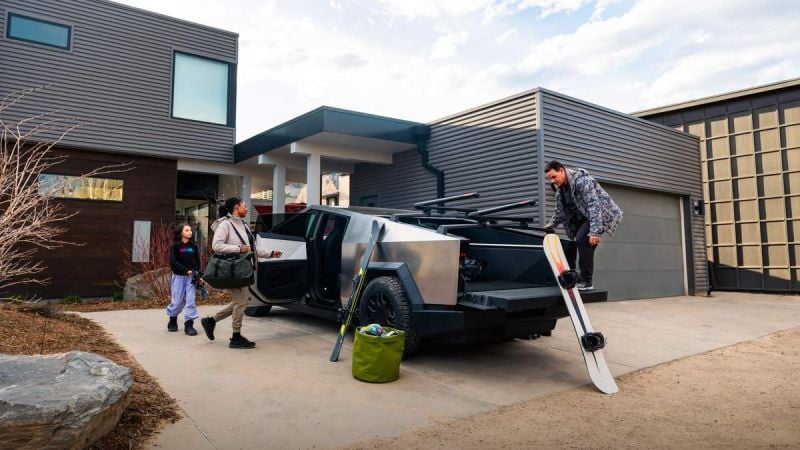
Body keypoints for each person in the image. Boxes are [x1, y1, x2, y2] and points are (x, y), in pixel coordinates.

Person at [200, 197, 282, 349]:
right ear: (236, 207)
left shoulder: (242, 224)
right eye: (245, 206)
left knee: (239, 302)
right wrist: (238, 249)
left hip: (243, 270)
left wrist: (271, 253)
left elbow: (251, 248)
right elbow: (216, 246)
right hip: (233, 270)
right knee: (241, 302)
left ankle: (210, 321)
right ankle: (235, 337)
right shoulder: (225, 224)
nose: (247, 209)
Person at [543, 160, 623, 290]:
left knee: (582, 240)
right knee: (580, 245)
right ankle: (574, 276)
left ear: (562, 171)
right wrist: (551, 224)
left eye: (554, 177)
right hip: (583, 219)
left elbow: (594, 205)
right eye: (549, 179)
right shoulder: (560, 191)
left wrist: (595, 232)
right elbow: (559, 211)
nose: (552, 181)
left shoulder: (582, 181)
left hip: (600, 215)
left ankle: (586, 281)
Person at [166, 223, 201, 335]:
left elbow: (197, 262)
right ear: (180, 232)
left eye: (190, 230)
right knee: (177, 302)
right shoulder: (175, 246)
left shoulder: (194, 246)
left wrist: (197, 273)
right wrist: (186, 270)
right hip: (179, 277)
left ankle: (189, 325)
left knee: (190, 300)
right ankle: (172, 319)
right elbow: (174, 262)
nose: (190, 232)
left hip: (191, 278)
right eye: (187, 230)